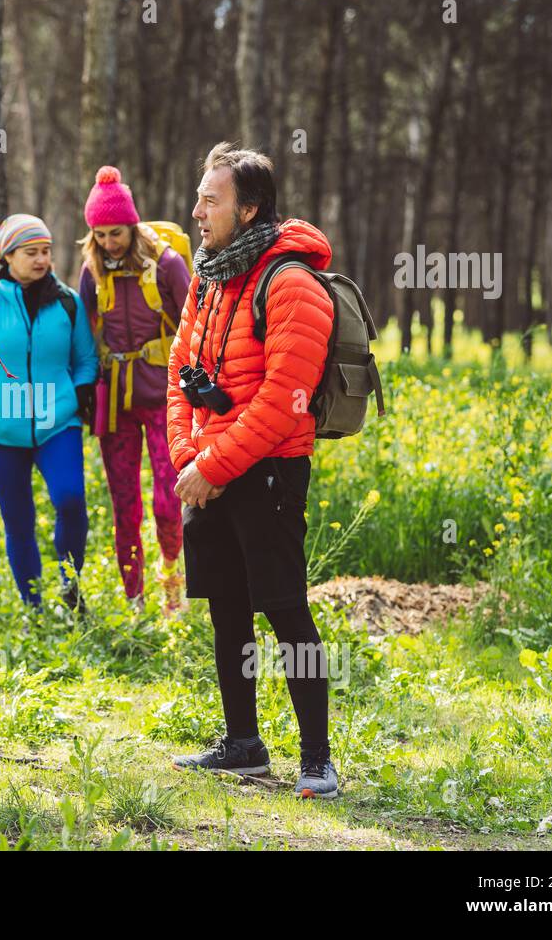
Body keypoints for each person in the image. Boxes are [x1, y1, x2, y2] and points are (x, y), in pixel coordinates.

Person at [166, 142, 339, 799]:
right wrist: (191, 459)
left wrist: (213, 463)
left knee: (286, 611)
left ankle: (317, 758)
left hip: (268, 474)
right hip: (205, 471)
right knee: (228, 610)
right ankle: (243, 746)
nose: (198, 210)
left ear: (250, 208)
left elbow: (282, 399)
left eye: (212, 200)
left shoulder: (291, 284)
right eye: (200, 197)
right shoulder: (209, 276)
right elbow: (180, 374)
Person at [0, 214, 99, 611]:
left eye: (46, 251)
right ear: (8, 256)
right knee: (18, 520)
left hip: (57, 422)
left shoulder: (67, 302)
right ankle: (33, 606)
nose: (41, 259)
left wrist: (81, 394)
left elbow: (85, 358)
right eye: (31, 252)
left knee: (69, 499)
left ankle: (72, 588)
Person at [77, 166, 191, 613]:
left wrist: (197, 392)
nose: (109, 243)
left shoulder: (168, 264)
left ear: (132, 225)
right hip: (115, 403)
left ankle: (172, 584)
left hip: (165, 399)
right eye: (100, 234)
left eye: (116, 232)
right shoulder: (92, 272)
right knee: (125, 505)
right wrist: (86, 388)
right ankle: (134, 600)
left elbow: (193, 327)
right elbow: (84, 336)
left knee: (168, 501)